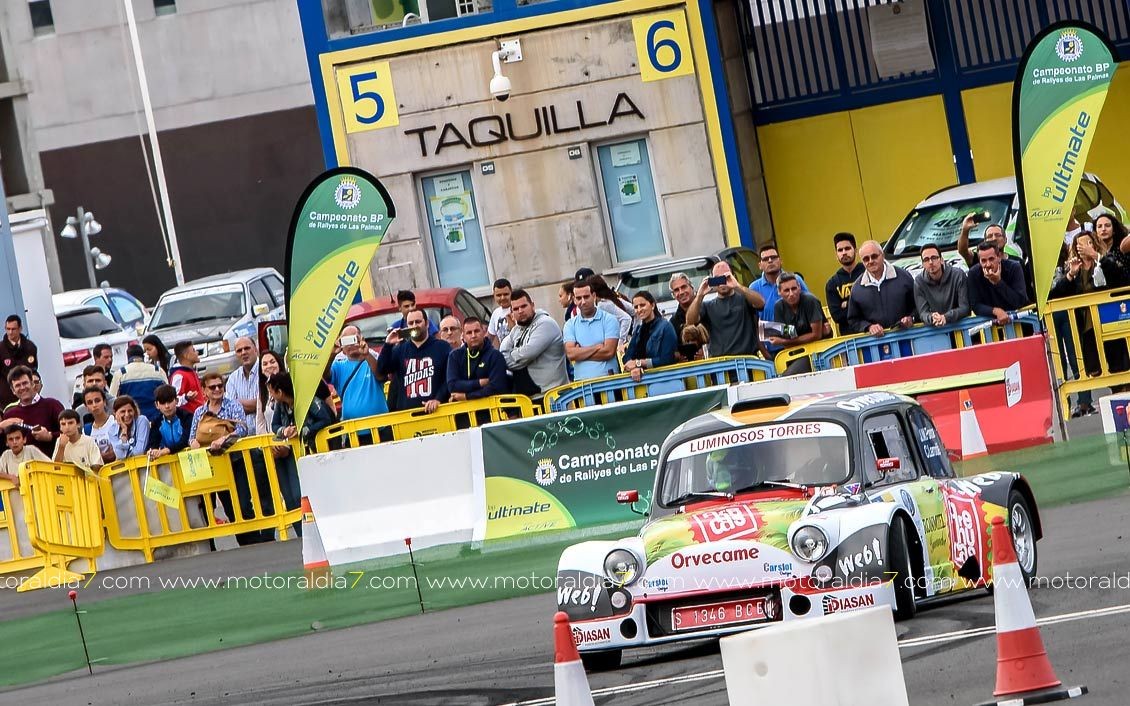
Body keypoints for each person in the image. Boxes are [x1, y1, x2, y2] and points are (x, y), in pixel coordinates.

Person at [1051, 231, 1130, 410]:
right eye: (1080, 244)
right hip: (1086, 326)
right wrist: (1071, 275)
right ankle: (1114, 398)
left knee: (1118, 363)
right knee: (1094, 367)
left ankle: (1122, 400)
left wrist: (1096, 256)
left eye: (1088, 243)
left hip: (1109, 321)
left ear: (1094, 244)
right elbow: (1056, 295)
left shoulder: (1105, 260)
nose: (1084, 247)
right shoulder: (1073, 268)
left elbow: (1119, 278)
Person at [189, 372, 268, 545]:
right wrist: (194, 443)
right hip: (213, 468)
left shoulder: (233, 405)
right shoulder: (199, 412)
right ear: (204, 390)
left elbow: (242, 429)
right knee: (229, 509)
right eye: (212, 387)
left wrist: (224, 439)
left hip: (235, 462)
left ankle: (255, 543)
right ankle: (245, 546)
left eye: (220, 386)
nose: (217, 389)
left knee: (243, 505)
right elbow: (191, 437)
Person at [269, 371, 336, 536]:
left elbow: (326, 418)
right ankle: (302, 534)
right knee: (292, 496)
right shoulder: (281, 405)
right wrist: (284, 430)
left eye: (271, 391)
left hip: (313, 451)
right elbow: (274, 425)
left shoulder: (307, 400)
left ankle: (319, 530)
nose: (270, 395)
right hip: (291, 453)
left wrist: (304, 430)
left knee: (306, 492)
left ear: (280, 392)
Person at [685, 262, 766, 357]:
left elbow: (760, 303)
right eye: (717, 278)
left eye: (725, 277)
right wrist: (699, 295)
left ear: (733, 277)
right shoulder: (707, 306)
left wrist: (737, 286)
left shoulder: (744, 299)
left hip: (747, 358)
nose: (722, 282)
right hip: (721, 362)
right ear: (712, 280)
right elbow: (690, 321)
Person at [377, 308, 451, 413]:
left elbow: (449, 378)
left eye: (418, 322)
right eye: (411, 323)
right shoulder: (400, 350)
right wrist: (388, 345)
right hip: (407, 414)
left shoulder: (442, 347)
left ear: (427, 324)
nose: (414, 325)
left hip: (436, 412)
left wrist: (438, 398)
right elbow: (382, 369)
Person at [499, 289, 570, 397]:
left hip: (552, 395)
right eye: (516, 309)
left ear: (532, 305)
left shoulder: (545, 324)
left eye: (524, 306)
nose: (520, 311)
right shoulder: (517, 329)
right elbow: (503, 351)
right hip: (529, 397)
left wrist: (513, 355)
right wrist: (516, 357)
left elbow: (526, 354)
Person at [846, 241, 916, 335]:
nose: (871, 261)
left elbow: (918, 306)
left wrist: (911, 318)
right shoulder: (857, 288)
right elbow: (853, 320)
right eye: (866, 259)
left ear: (882, 255)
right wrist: (868, 327)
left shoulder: (904, 277)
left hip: (906, 335)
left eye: (874, 256)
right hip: (877, 341)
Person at [769, 273, 828, 375]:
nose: (791, 294)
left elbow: (816, 335)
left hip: (818, 351)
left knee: (788, 375)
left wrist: (783, 341)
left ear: (799, 287)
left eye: (794, 289)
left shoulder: (810, 300)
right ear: (779, 292)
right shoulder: (778, 307)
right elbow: (786, 336)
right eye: (786, 290)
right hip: (795, 353)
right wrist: (786, 341)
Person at [0, 366, 65, 456]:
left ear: (32, 383)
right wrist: (1, 427)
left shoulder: (52, 405)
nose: (22, 388)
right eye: (18, 385)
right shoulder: (9, 415)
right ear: (13, 390)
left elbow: (70, 433)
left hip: (52, 462)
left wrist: (50, 436)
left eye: (25, 383)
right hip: (21, 464)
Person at [564, 281, 621, 381]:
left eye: (586, 297)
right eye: (579, 298)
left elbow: (608, 352)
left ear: (594, 296)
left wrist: (580, 353)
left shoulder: (609, 319)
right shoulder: (570, 324)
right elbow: (571, 354)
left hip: (608, 382)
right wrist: (597, 347)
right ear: (574, 300)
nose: (583, 302)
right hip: (582, 384)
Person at [329, 325, 388, 421]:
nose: (350, 345)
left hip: (381, 424)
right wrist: (332, 354)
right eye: (346, 341)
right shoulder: (338, 366)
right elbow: (325, 376)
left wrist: (367, 354)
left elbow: (381, 377)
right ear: (341, 346)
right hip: (352, 428)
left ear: (362, 339)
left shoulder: (373, 359)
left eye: (353, 339)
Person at [447, 316, 509, 401]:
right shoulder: (455, 356)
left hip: (492, 407)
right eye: (469, 333)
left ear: (483, 332)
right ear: (463, 336)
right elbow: (452, 386)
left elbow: (496, 388)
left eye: (476, 331)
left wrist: (466, 396)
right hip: (464, 408)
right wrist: (480, 383)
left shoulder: (495, 356)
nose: (473, 336)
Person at [967, 242, 1028, 325]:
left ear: (999, 257)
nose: (988, 264)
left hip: (1019, 322)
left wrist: (998, 282)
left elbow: (1020, 301)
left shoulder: (1014, 267)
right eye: (983, 261)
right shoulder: (973, 273)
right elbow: (975, 305)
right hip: (991, 325)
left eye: (991, 259)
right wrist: (996, 311)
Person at [623, 291, 677, 381]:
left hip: (664, 378)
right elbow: (627, 357)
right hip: (640, 380)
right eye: (636, 307)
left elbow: (667, 359)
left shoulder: (665, 326)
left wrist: (639, 363)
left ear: (652, 305)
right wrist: (634, 368)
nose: (639, 310)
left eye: (642, 305)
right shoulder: (638, 330)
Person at [750, 244, 810, 324]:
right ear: (760, 265)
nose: (770, 261)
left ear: (780, 261)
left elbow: (809, 305)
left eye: (773, 257)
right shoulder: (754, 288)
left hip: (798, 329)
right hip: (769, 331)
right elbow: (752, 318)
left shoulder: (795, 279)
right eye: (765, 259)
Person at [914, 243, 970, 327]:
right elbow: (923, 313)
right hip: (936, 329)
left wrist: (945, 317)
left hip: (960, 327)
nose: (930, 262)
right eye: (926, 259)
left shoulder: (958, 275)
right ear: (923, 264)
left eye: (934, 258)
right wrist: (932, 317)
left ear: (941, 260)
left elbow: (965, 308)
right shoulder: (919, 281)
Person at [110, 344, 167, 423]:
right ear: (142, 355)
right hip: (157, 419)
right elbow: (168, 393)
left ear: (128, 356)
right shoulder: (158, 370)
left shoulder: (121, 373)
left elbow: (112, 399)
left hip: (131, 420)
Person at [825, 232, 865, 336]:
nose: (844, 253)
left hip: (873, 332)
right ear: (836, 255)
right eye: (840, 250)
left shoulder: (868, 273)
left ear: (855, 250)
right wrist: (862, 303)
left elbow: (875, 305)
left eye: (847, 248)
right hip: (849, 338)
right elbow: (837, 316)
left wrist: (846, 304)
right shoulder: (832, 283)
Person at [0, 315, 38, 408]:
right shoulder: (1, 349)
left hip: (27, 395)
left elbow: (33, 368)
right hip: (7, 398)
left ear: (20, 329)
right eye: (8, 329)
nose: (10, 332)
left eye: (13, 329)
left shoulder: (30, 347)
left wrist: (35, 378)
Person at [147, 384, 194, 459]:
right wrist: (153, 451)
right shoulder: (156, 422)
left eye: (169, 401)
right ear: (156, 405)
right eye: (162, 403)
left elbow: (186, 440)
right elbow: (153, 443)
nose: (167, 406)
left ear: (176, 401)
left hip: (189, 458)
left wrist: (167, 450)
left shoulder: (187, 417)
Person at [587, 275, 633, 346]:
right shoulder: (612, 297)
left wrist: (620, 342)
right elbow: (633, 309)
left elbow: (627, 318)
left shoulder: (603, 304)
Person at [225, 337, 260, 432]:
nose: (243, 353)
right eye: (239, 350)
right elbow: (229, 409)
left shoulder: (265, 370)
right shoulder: (233, 378)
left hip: (265, 434)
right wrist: (255, 405)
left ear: (255, 349)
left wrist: (238, 404)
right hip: (241, 437)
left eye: (247, 348)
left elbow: (267, 404)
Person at [668, 273, 702, 362]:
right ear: (673, 295)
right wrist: (678, 358)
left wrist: (706, 353)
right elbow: (672, 350)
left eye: (684, 287)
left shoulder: (707, 309)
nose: (681, 292)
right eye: (676, 290)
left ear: (692, 287)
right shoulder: (673, 322)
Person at [82, 386, 118, 463]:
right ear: (86, 407)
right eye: (90, 402)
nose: (94, 405)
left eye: (97, 400)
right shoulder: (86, 431)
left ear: (104, 402)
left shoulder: (116, 422)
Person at [109, 395, 150, 460]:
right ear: (115, 413)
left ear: (134, 410)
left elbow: (139, 452)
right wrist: (124, 430)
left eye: (130, 411)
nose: (127, 415)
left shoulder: (142, 421)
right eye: (123, 411)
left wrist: (126, 454)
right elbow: (121, 455)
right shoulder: (112, 429)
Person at [169, 341, 203, 414]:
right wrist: (186, 398)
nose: (197, 352)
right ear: (186, 355)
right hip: (190, 417)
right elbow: (174, 400)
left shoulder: (191, 372)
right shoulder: (179, 376)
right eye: (193, 350)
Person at [256, 350, 284, 436]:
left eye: (272, 362)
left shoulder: (289, 384)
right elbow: (260, 423)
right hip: (270, 440)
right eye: (265, 364)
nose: (269, 366)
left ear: (279, 364)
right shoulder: (262, 392)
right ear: (261, 370)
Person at [487, 278, 513, 347]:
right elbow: (489, 338)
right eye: (499, 295)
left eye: (506, 294)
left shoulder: (518, 309)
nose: (502, 298)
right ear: (494, 295)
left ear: (511, 292)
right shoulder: (496, 313)